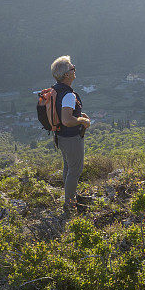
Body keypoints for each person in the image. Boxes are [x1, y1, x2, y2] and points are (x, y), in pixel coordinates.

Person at [50, 55, 91, 212]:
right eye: (72, 68)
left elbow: (64, 113)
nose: (75, 69)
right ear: (66, 75)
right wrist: (82, 121)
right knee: (75, 170)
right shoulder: (68, 94)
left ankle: (70, 197)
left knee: (68, 167)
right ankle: (70, 205)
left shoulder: (57, 90)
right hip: (71, 138)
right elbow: (67, 120)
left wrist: (80, 115)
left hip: (60, 136)